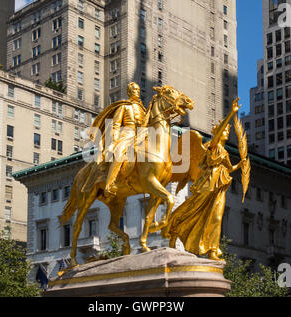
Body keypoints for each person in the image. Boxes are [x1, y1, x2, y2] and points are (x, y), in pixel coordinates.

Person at [164, 99, 246, 261]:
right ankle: (174, 229)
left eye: (227, 131)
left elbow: (229, 169)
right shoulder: (211, 146)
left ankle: (212, 250)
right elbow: (216, 137)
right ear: (217, 133)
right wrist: (231, 113)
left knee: (216, 217)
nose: (227, 133)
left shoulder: (225, 152)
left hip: (219, 187)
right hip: (207, 185)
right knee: (192, 209)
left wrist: (240, 165)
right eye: (224, 131)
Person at [88, 82, 146, 197]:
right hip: (126, 135)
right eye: (134, 90)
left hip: (141, 135)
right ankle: (109, 184)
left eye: (138, 90)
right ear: (129, 92)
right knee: (119, 154)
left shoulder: (143, 110)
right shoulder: (124, 106)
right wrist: (113, 141)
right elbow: (115, 125)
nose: (137, 92)